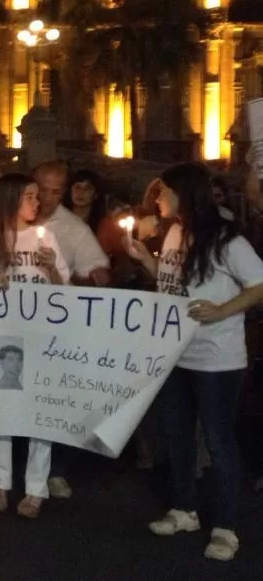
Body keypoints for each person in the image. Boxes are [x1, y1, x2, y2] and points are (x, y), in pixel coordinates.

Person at [126, 162, 263, 562]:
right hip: (176, 354)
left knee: (219, 441)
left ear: (184, 194)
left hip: (217, 359)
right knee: (177, 434)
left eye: (163, 192)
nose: (157, 199)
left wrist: (222, 311)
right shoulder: (174, 232)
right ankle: (184, 509)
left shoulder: (226, 240)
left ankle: (225, 527)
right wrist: (145, 261)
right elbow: (173, 285)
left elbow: (259, 284)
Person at [0, 173, 70, 519]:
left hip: (42, 337)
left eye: (36, 196)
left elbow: (65, 290)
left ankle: (35, 488)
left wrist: (51, 269)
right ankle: (2, 482)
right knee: (4, 410)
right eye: (29, 196)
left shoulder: (47, 239)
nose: (37, 201)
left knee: (41, 413)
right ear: (11, 199)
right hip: (5, 339)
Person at [33, 161, 111, 499]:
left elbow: (97, 268)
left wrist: (93, 276)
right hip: (17, 327)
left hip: (56, 330)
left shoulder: (74, 227)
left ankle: (57, 470)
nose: (48, 198)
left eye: (56, 191)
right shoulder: (14, 218)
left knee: (54, 398)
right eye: (43, 189)